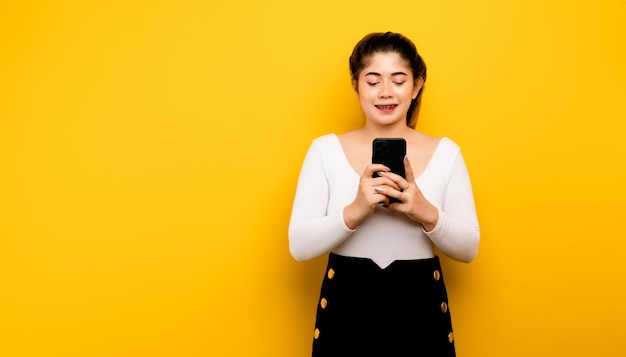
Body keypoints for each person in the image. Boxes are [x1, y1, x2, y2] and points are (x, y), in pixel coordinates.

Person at [288, 32, 480, 356]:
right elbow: (299, 246)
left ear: (417, 85)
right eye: (373, 80)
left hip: (422, 316)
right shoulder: (324, 151)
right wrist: (355, 211)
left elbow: (469, 248)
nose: (385, 92)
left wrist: (425, 212)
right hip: (344, 316)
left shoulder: (447, 153)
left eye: (399, 80)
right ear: (356, 86)